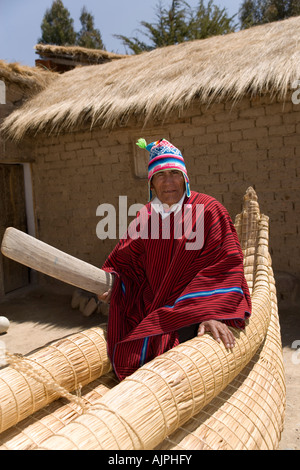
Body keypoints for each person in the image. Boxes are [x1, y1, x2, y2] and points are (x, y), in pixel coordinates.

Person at [99, 138, 251, 381]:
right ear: (151, 182)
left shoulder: (209, 210)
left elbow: (225, 263)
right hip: (156, 305)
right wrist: (113, 281)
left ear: (185, 178)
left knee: (180, 370)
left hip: (193, 308)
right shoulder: (146, 215)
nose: (168, 182)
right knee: (133, 353)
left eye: (174, 173)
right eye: (160, 175)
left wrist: (209, 310)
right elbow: (125, 261)